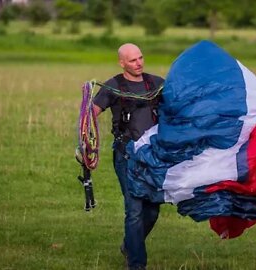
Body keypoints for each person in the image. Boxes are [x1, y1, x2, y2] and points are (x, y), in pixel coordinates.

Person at [93, 43, 164, 270]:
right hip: (126, 155)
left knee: (152, 210)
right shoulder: (114, 86)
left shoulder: (156, 84)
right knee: (134, 210)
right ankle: (136, 265)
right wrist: (87, 140)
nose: (139, 63)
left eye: (141, 58)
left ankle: (129, 245)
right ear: (122, 63)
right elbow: (89, 113)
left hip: (152, 155)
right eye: (133, 60)